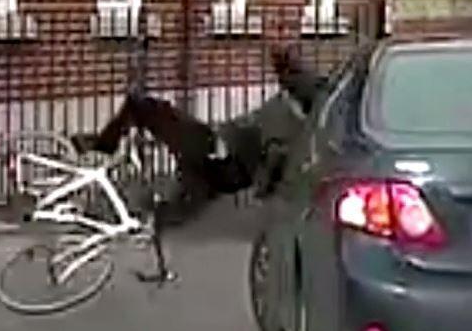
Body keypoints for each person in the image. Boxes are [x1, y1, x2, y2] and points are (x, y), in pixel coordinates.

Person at [71, 41, 328, 223]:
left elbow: (271, 166)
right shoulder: (286, 110)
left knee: (142, 106)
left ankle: (102, 149)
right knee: (171, 209)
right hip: (216, 152)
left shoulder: (294, 126)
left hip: (220, 157)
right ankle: (122, 194)